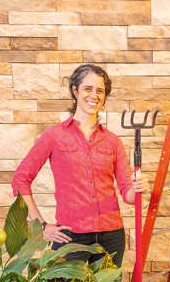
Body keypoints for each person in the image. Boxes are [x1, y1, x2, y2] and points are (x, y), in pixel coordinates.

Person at [11, 64, 147, 268]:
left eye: (100, 91)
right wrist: (42, 226)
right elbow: (20, 180)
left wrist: (137, 189)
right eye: (88, 88)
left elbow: (128, 195)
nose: (94, 95)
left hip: (111, 238)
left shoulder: (112, 141)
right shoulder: (54, 136)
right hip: (70, 238)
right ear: (75, 91)